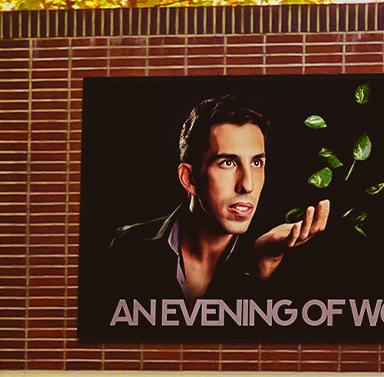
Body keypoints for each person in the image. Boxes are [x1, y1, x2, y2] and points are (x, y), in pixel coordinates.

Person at [106, 95, 330, 300]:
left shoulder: (283, 256)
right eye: (228, 163)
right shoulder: (128, 248)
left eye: (256, 162)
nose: (247, 185)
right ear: (190, 179)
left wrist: (263, 268)